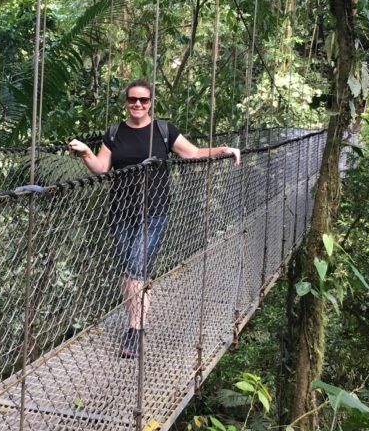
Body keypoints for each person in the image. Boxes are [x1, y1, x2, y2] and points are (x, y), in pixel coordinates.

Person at [68, 80, 240, 358]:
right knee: (130, 271)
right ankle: (140, 312)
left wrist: (223, 150)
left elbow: (193, 153)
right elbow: (101, 169)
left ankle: (134, 330)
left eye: (143, 100)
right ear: (126, 101)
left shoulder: (163, 131)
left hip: (154, 212)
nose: (138, 104)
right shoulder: (114, 133)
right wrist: (87, 153)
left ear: (151, 103)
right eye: (132, 99)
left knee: (136, 268)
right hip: (120, 212)